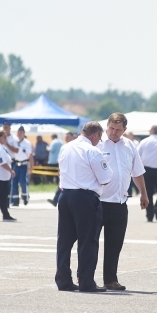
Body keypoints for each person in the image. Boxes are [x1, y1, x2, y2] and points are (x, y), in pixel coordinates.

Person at [55, 122, 113, 292]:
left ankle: (63, 280)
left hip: (65, 196)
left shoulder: (66, 147)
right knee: (88, 240)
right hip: (85, 197)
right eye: (99, 138)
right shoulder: (92, 151)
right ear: (95, 135)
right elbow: (105, 178)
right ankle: (86, 281)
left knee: (64, 241)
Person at [98, 113, 149, 290]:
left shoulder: (129, 146)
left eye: (118, 130)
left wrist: (144, 193)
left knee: (115, 243)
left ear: (124, 130)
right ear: (107, 126)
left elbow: (137, 172)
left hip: (119, 202)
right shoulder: (97, 144)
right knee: (90, 242)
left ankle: (110, 279)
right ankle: (86, 277)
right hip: (98, 201)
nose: (113, 132)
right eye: (111, 128)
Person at [48, 132, 75, 207]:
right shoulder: (63, 147)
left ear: (72, 137)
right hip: (65, 170)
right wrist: (59, 170)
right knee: (61, 185)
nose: (66, 139)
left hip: (73, 170)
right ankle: (56, 200)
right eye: (65, 137)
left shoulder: (75, 146)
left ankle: (57, 200)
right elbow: (60, 160)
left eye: (68, 137)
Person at [10, 126, 34, 206]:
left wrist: (31, 167)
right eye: (18, 132)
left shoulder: (27, 143)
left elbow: (30, 156)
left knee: (23, 182)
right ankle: (15, 200)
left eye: (21, 132)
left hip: (23, 164)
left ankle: (25, 197)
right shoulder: (14, 141)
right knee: (14, 182)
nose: (19, 134)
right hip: (16, 164)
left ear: (24, 133)